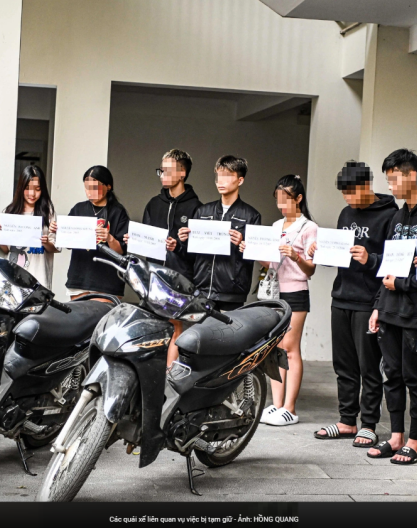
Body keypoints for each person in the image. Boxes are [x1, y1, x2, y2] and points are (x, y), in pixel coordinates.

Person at [367, 149, 417, 465]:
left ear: (411, 175)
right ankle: (396, 437)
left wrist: (400, 284)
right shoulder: (397, 217)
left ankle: (415, 442)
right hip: (389, 309)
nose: (390, 187)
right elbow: (388, 266)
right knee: (392, 375)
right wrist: (377, 305)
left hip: (415, 312)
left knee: (414, 378)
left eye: (393, 179)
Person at [310, 161, 397, 446]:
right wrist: (319, 252)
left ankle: (369, 424)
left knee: (368, 366)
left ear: (366, 186)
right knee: (343, 365)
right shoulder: (346, 213)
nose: (348, 199)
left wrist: (370, 260)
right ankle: (347, 421)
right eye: (344, 194)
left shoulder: (390, 216)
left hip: (368, 301)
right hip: (342, 297)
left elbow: (396, 264)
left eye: (351, 192)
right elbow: (338, 257)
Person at [239, 175, 317, 426]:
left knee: (290, 349)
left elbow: (310, 270)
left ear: (299, 199)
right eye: (278, 199)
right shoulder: (274, 227)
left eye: (286, 199)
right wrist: (251, 252)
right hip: (274, 292)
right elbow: (271, 264)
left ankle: (290, 408)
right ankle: (276, 405)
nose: (281, 204)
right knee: (274, 349)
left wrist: (295, 256)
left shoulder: (309, 228)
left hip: (296, 292)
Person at [125, 149, 202, 370]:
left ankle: (170, 377)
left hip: (181, 278)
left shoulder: (196, 208)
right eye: (160, 170)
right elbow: (147, 241)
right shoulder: (154, 204)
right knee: (154, 327)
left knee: (177, 326)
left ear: (182, 173)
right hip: (154, 277)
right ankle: (153, 373)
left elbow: (198, 251)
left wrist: (178, 246)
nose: (161, 175)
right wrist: (134, 240)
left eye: (166, 170)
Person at [177, 155, 261, 312]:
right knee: (202, 335)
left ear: (240, 180)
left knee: (228, 336)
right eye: (218, 176)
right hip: (201, 290)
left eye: (227, 176)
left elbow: (253, 257)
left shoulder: (251, 215)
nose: (220, 181)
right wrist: (184, 241)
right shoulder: (203, 211)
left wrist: (243, 245)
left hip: (232, 292)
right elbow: (190, 256)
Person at [65, 166, 130, 299]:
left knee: (102, 319)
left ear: (108, 186)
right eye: (87, 188)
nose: (90, 193)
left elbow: (121, 252)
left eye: (95, 188)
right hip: (79, 278)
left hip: (107, 282)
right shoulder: (78, 209)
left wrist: (109, 238)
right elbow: (67, 242)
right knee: (78, 319)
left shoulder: (118, 212)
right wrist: (59, 230)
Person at [0, 165, 59, 289]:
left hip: (39, 278)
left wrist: (45, 242)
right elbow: (6, 250)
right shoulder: (10, 212)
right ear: (21, 188)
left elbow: (55, 248)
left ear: (43, 189)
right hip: (14, 278)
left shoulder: (48, 212)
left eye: (37, 189)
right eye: (27, 188)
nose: (32, 193)